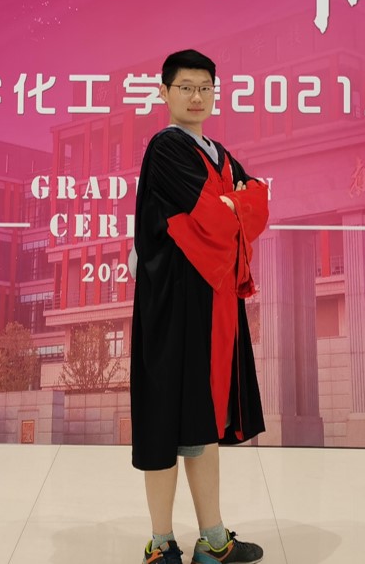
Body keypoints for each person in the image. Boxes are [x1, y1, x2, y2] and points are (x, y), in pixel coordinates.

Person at [130, 49, 269, 564]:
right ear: (164, 92)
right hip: (172, 306)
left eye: (204, 87)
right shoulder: (166, 148)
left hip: (212, 305)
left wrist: (236, 204)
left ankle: (212, 539)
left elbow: (259, 203)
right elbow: (215, 218)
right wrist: (233, 204)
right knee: (165, 420)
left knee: (203, 421)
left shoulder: (220, 153)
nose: (196, 97)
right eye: (185, 87)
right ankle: (161, 541)